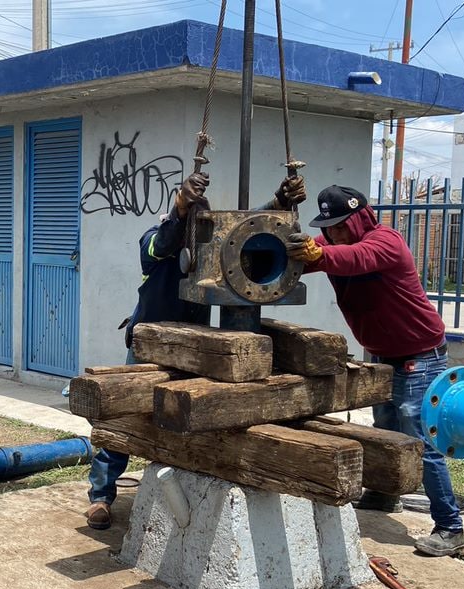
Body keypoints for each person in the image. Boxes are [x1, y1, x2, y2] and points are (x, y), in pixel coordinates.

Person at [85, 172, 307, 530]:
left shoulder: (210, 248)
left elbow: (242, 229)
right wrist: (179, 208)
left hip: (192, 348)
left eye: (202, 225)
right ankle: (100, 496)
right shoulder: (152, 241)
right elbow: (165, 241)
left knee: (190, 416)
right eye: (192, 222)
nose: (198, 231)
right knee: (124, 418)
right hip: (148, 346)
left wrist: (279, 203)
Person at [285, 185, 464, 557]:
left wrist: (321, 253)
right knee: (384, 431)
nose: (332, 234)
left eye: (338, 226)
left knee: (420, 442)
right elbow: (317, 257)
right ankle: (385, 494)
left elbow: (353, 258)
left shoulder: (387, 242)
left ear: (359, 217)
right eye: (328, 228)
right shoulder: (331, 244)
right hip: (383, 354)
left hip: (420, 355)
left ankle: (450, 526)